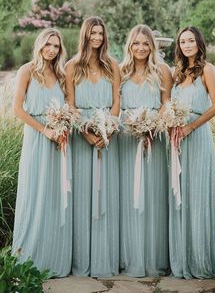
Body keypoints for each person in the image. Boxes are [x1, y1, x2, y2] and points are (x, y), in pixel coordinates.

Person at [12, 28, 72, 277]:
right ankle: (28, 256)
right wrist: (44, 130)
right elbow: (18, 110)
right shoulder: (27, 70)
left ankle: (54, 257)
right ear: (39, 45)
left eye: (56, 46)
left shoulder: (60, 74)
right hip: (37, 140)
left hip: (60, 141)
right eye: (48, 44)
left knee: (55, 197)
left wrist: (64, 125)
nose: (51, 50)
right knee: (34, 193)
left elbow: (69, 106)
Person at [65, 16, 120, 277]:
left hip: (107, 139)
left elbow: (117, 101)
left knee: (105, 196)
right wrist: (86, 133)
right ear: (85, 35)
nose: (97, 37)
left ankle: (104, 257)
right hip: (82, 138)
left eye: (100, 33)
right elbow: (71, 105)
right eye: (93, 33)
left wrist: (107, 129)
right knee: (83, 196)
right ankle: (81, 258)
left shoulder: (112, 65)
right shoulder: (72, 66)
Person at [169, 26, 215, 279]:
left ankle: (201, 260)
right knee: (180, 196)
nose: (187, 45)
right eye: (183, 41)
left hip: (198, 137)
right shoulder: (177, 73)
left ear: (199, 43)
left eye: (191, 40)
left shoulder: (208, 69)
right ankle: (181, 258)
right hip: (177, 140)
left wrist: (191, 126)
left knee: (198, 195)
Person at [119, 24, 172, 277]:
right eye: (136, 43)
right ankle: (130, 255)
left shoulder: (162, 70)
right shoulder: (121, 71)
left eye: (145, 43)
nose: (140, 48)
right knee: (129, 196)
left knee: (153, 195)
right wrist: (133, 126)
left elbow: (166, 104)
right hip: (127, 141)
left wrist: (152, 126)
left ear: (152, 46)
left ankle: (154, 256)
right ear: (129, 45)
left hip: (155, 140)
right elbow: (115, 107)